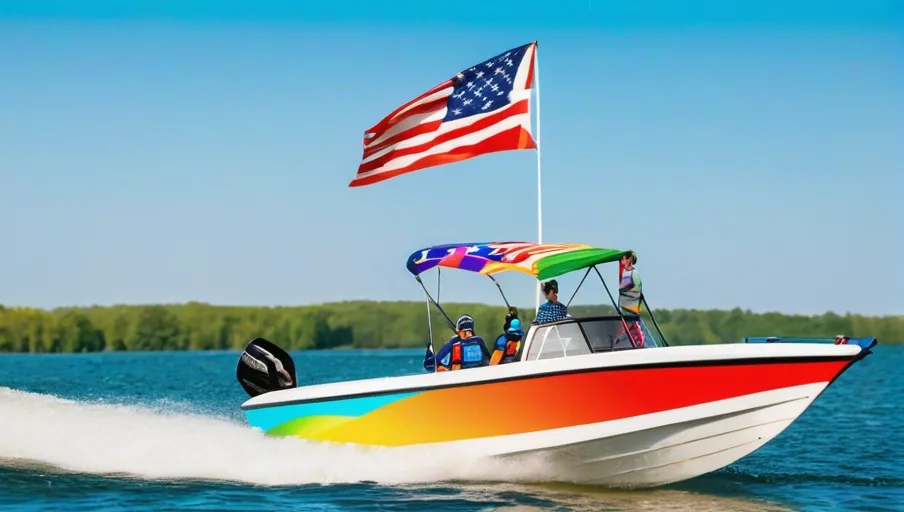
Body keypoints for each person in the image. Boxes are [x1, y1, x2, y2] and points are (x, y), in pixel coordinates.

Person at [425, 314, 491, 372]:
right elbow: (490, 361)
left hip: (459, 378)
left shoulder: (453, 343)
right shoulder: (479, 341)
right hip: (479, 376)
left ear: (458, 330)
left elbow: (432, 364)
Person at [617, 250, 646, 347]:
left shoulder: (634, 273)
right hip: (624, 308)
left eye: (624, 258)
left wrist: (625, 290)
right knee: (627, 329)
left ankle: (641, 344)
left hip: (631, 308)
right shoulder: (624, 272)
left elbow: (637, 289)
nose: (622, 260)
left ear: (629, 259)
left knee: (635, 327)